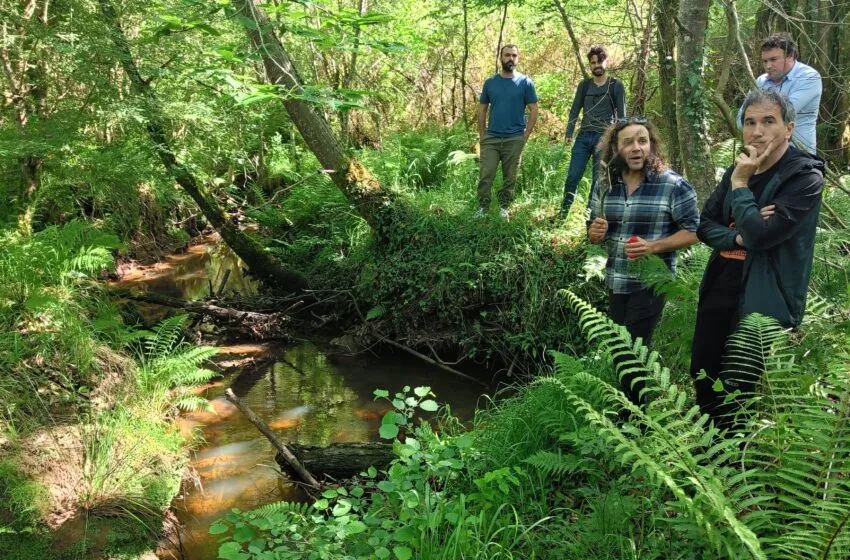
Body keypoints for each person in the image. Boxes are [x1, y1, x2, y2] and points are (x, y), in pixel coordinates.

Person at [693, 90, 824, 429]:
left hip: (765, 295)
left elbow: (760, 236)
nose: (757, 131)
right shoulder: (738, 167)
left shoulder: (804, 177)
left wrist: (740, 185)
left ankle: (731, 468)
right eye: (750, 122)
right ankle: (710, 455)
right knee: (703, 372)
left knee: (737, 386)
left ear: (789, 129)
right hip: (721, 283)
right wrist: (736, 235)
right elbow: (705, 226)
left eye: (769, 121)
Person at [587, 118, 699, 405]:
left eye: (642, 140)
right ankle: (634, 410)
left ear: (652, 145)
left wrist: (654, 247)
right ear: (615, 147)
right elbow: (594, 229)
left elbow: (695, 231)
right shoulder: (606, 184)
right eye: (628, 142)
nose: (636, 148)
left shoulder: (672, 185)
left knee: (632, 353)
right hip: (616, 279)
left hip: (651, 284)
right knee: (620, 349)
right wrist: (594, 233)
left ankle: (636, 418)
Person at [561, 45, 626, 217]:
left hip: (604, 139)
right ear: (589, 65)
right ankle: (563, 212)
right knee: (573, 175)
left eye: (599, 62)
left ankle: (590, 216)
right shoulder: (584, 85)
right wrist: (569, 132)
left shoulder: (616, 86)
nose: (596, 65)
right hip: (583, 137)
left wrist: (619, 140)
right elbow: (575, 109)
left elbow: (622, 117)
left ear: (606, 62)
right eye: (593, 62)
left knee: (598, 180)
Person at [476, 44, 539, 220]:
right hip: (492, 138)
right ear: (500, 57)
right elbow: (481, 109)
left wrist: (525, 135)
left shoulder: (525, 82)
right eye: (507, 55)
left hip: (514, 138)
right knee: (486, 174)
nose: (510, 58)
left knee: (510, 177)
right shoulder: (490, 83)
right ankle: (483, 208)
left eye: (514, 55)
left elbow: (534, 109)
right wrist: (482, 135)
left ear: (517, 58)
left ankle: (504, 207)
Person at [737, 33, 822, 154]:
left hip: (798, 153)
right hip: (764, 155)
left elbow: (783, 114)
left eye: (773, 60)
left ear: (790, 56)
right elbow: (740, 120)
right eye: (765, 61)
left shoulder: (809, 77)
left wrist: (753, 122)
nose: (768, 66)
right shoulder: (761, 81)